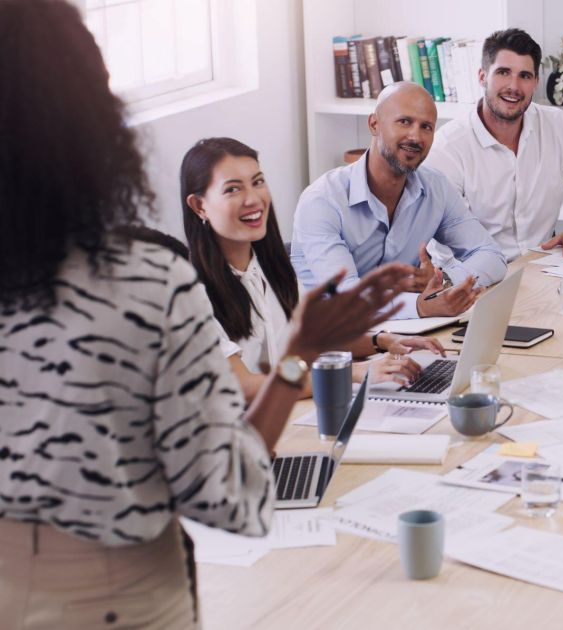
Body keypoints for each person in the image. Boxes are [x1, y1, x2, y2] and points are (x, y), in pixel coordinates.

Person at [0, 2, 411, 625]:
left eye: (257, 182)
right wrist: (300, 363)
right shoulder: (148, 282)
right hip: (123, 601)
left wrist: (364, 343)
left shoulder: (254, 267)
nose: (253, 198)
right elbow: (232, 493)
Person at [181, 137, 445, 401]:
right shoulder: (188, 297)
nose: (253, 199)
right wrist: (354, 372)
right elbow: (243, 386)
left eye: (257, 182)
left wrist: (383, 341)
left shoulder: (270, 269)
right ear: (199, 206)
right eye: (232, 189)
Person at [291, 81, 508, 319]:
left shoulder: (436, 187)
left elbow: (491, 256)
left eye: (426, 127)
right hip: (334, 334)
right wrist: (419, 306)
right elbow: (346, 297)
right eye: (404, 121)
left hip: (410, 330)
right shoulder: (322, 201)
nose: (415, 137)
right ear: (374, 124)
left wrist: (443, 281)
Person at [425, 28, 563, 260]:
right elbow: (450, 245)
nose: (513, 86)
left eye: (524, 76)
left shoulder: (560, 127)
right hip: (469, 273)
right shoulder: (447, 148)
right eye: (503, 72)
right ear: (482, 77)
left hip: (541, 268)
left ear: (535, 82)